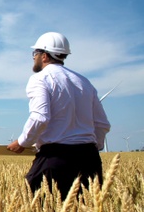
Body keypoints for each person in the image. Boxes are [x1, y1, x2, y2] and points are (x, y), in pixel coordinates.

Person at [7, 32, 111, 200]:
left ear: (45, 56)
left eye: (35, 54)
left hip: (56, 160)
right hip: (90, 160)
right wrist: (90, 148)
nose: (34, 58)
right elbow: (102, 124)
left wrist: (22, 142)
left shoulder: (40, 79)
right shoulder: (84, 82)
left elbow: (40, 117)